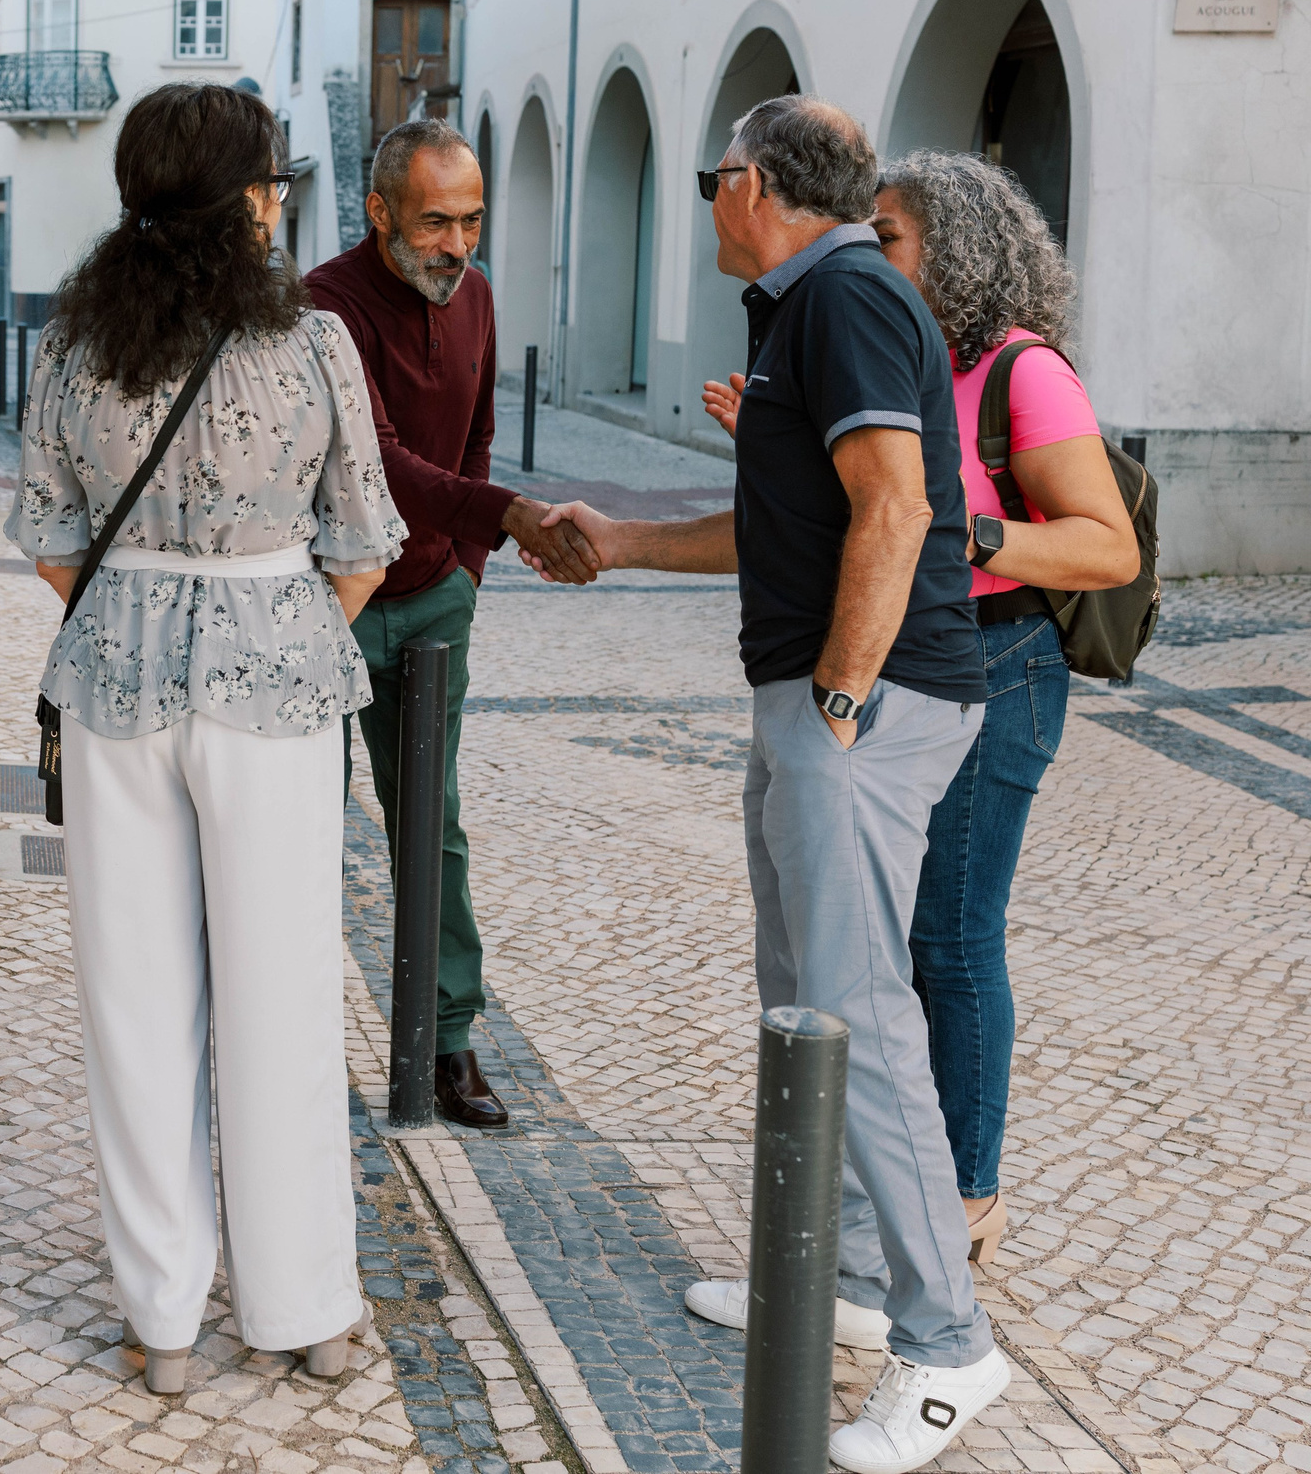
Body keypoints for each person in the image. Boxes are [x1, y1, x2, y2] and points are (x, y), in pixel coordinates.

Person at [525, 97, 1009, 1474]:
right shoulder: (806, 307)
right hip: (821, 699)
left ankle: (948, 1345)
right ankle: (839, 1280)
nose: (707, 207)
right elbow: (783, 522)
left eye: (706, 183)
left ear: (753, 183)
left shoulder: (849, 296)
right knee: (806, 1004)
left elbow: (900, 509)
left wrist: (842, 703)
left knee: (859, 1016)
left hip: (865, 705)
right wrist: (617, 541)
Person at [10, 82, 406, 1396]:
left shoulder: (73, 339)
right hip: (274, 681)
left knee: (134, 1000)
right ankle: (301, 1310)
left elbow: (50, 534)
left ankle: (160, 1319)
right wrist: (265, 606)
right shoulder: (313, 343)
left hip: (117, 675)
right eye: (272, 178)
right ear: (245, 197)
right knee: (282, 994)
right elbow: (362, 543)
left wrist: (143, 606)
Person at [704, 151, 1136, 1263]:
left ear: (958, 250)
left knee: (945, 935)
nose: (863, 247)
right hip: (902, 666)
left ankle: (967, 1194)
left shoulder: (1015, 370)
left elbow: (1103, 543)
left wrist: (959, 530)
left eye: (886, 234)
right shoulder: (885, 348)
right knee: (873, 942)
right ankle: (873, 1224)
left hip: (996, 666)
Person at [304, 118, 598, 1129]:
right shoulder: (322, 308)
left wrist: (466, 569)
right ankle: (290, 1037)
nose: (457, 244)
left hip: (433, 600)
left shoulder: (471, 297)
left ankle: (447, 1042)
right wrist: (504, 517)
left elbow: (470, 439)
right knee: (299, 823)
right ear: (380, 211)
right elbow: (372, 458)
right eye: (434, 221)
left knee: (433, 826)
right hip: (325, 607)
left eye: (471, 220)